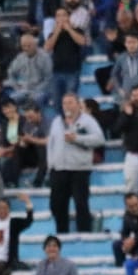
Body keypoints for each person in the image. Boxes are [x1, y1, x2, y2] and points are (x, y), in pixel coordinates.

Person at [47, 91, 104, 233]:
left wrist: (78, 139)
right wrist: (51, 165)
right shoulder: (56, 121)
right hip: (59, 169)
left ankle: (84, 232)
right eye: (64, 103)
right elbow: (51, 144)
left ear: (78, 104)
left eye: (70, 102)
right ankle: (62, 232)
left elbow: (99, 139)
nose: (67, 106)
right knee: (57, 204)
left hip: (79, 169)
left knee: (81, 203)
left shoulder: (88, 120)